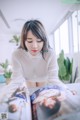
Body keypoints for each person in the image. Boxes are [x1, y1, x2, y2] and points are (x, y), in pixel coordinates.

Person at [11, 19, 67, 92]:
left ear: (44, 40)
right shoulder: (17, 54)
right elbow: (16, 80)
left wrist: (66, 90)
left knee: (41, 93)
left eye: (39, 41)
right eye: (30, 41)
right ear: (24, 41)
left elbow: (54, 79)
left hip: (44, 81)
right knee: (31, 92)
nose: (34, 46)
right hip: (28, 82)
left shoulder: (50, 53)